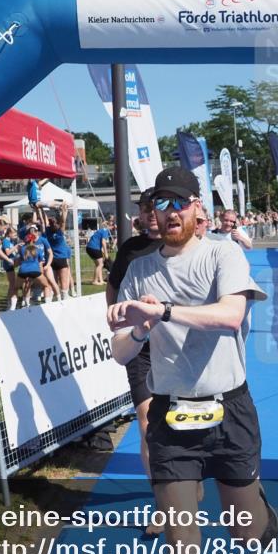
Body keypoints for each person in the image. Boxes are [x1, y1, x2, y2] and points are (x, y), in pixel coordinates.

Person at [107, 167, 275, 554]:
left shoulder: (223, 254)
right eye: (161, 205)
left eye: (179, 203)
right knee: (182, 545)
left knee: (247, 535)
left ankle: (259, 508)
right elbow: (120, 350)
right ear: (152, 214)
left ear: (198, 208)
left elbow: (230, 316)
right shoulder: (139, 268)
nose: (171, 213)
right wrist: (138, 328)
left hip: (230, 410)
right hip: (170, 418)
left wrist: (162, 312)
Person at [105, 188, 172, 535]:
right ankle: (162, 501)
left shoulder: (179, 245)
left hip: (176, 346)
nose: (149, 214)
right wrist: (118, 320)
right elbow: (113, 288)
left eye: (154, 208)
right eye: (144, 209)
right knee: (147, 423)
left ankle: (187, 478)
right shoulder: (130, 249)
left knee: (182, 421)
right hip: (141, 345)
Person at [46, 203, 72, 300]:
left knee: (54, 280)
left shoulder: (47, 231)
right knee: (64, 280)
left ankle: (54, 296)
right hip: (61, 258)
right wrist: (64, 210)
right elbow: (63, 222)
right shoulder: (60, 232)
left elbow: (57, 222)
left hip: (52, 259)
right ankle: (64, 296)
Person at [16, 235, 50, 306]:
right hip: (35, 270)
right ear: (33, 240)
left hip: (23, 271)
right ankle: (48, 304)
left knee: (17, 288)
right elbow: (41, 262)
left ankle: (25, 304)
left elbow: (19, 260)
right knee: (46, 286)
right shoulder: (37, 249)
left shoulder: (22, 249)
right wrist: (41, 273)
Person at [86, 220, 111, 285]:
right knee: (101, 264)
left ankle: (101, 280)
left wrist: (103, 252)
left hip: (90, 247)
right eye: (112, 226)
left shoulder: (101, 230)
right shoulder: (105, 231)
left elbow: (99, 242)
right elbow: (103, 242)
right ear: (108, 226)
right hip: (93, 248)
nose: (112, 227)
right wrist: (106, 253)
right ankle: (95, 281)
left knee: (99, 264)